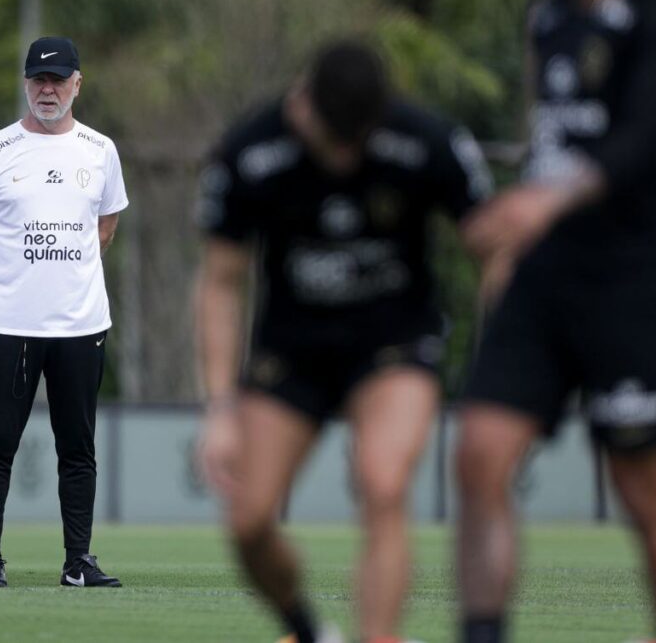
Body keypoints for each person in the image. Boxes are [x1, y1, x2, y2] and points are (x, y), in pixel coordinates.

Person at [194, 40, 495, 643]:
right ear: (302, 105)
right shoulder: (250, 151)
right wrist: (221, 408)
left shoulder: (427, 142)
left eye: (355, 143)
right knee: (248, 522)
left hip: (394, 345)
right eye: (332, 140)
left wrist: (499, 366)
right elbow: (221, 284)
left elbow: (493, 247)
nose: (343, 157)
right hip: (292, 351)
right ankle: (307, 630)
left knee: (383, 483)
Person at [454, 0, 656, 642]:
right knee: (478, 453)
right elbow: (549, 144)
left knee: (643, 487)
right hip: (543, 279)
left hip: (634, 282)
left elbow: (643, 139)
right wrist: (509, 243)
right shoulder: (552, 13)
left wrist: (546, 201)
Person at [0, 36, 126, 588]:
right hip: (9, 325)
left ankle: (78, 562)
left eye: (58, 80)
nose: (47, 89)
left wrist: (65, 276)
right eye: (38, 79)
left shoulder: (100, 150)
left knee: (78, 447)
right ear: (26, 83)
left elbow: (106, 225)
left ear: (78, 83)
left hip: (80, 325)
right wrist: (13, 279)